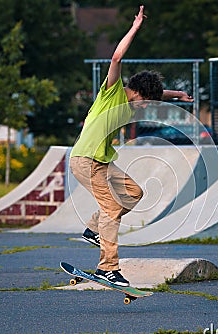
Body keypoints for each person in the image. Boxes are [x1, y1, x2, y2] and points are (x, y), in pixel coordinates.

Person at [69, 5, 193, 287]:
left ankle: (92, 229)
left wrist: (177, 94)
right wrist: (135, 27)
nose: (145, 107)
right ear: (135, 92)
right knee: (112, 208)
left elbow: (156, 93)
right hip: (85, 160)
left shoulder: (135, 99)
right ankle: (107, 268)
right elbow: (115, 57)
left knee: (134, 192)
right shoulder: (113, 91)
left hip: (101, 160)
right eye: (145, 101)